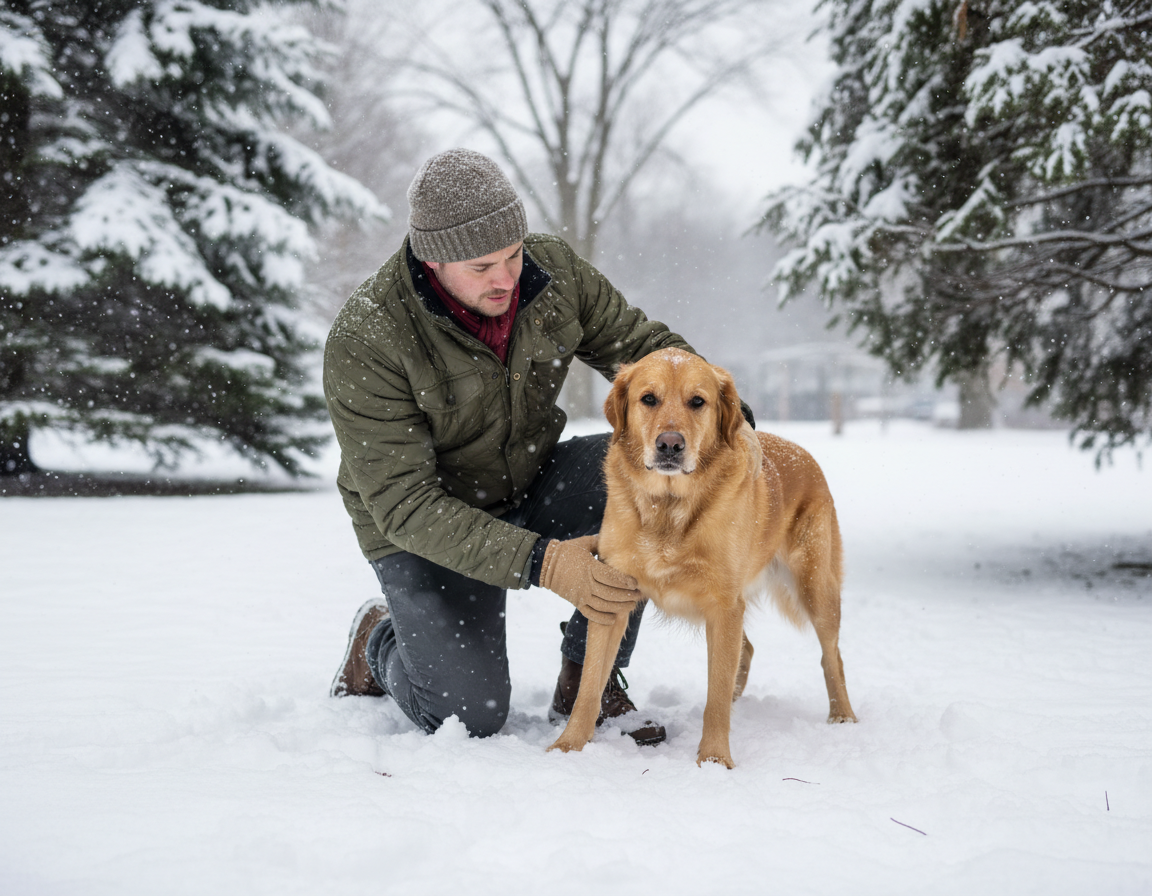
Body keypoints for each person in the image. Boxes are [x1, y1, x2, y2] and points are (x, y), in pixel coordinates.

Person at [323, 148, 749, 744]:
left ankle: (586, 680)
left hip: (533, 475)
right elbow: (403, 503)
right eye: (481, 266)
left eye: (513, 255)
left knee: (655, 484)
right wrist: (545, 562)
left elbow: (642, 346)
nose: (506, 278)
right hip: (426, 521)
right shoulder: (368, 336)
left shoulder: (553, 273)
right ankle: (377, 643)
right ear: (432, 259)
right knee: (467, 715)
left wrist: (735, 422)